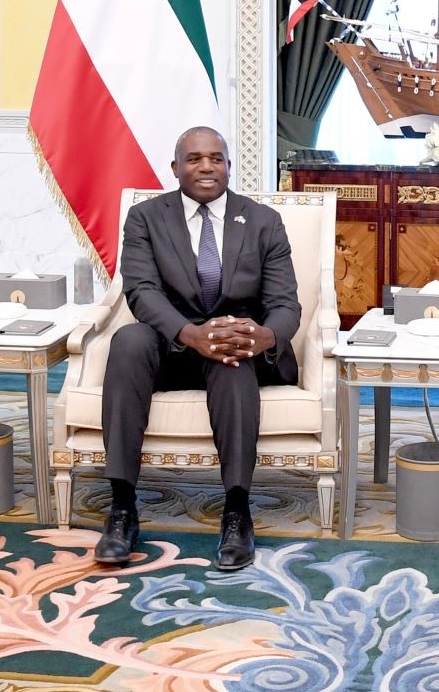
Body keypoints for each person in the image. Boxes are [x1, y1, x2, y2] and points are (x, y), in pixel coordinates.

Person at [94, 126, 301, 571]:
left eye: (215, 158)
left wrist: (263, 336)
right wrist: (191, 334)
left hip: (236, 345)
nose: (206, 167)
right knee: (128, 339)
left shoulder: (262, 220)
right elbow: (142, 292)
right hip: (172, 344)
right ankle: (122, 508)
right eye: (194, 159)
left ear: (228, 166)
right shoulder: (146, 218)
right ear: (175, 168)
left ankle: (237, 511)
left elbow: (285, 304)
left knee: (232, 359)